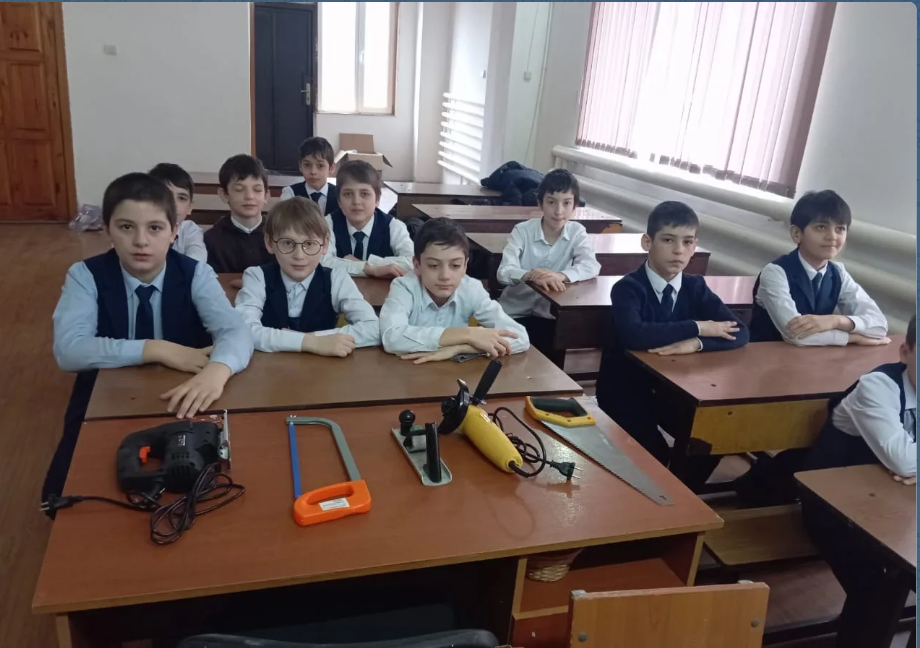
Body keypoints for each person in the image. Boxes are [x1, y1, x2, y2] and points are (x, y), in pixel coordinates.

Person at [46, 172, 253, 508]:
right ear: (107, 229)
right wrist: (155, 349)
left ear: (174, 231)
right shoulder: (85, 275)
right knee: (69, 496)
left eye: (155, 228)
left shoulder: (195, 273)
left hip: (184, 395)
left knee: (210, 490)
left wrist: (218, 370)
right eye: (126, 227)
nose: (141, 241)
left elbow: (236, 331)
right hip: (105, 398)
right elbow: (69, 350)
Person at [596, 201, 749, 472]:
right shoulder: (628, 288)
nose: (679, 250)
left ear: (695, 245)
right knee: (654, 452)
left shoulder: (695, 286)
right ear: (647, 242)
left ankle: (680, 491)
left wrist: (696, 344)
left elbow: (740, 332)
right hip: (624, 390)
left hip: (674, 390)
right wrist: (698, 327)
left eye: (687, 242)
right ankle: (661, 489)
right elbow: (635, 335)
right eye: (668, 240)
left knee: (713, 438)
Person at [235, 197, 380, 355]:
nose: (299, 256)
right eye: (288, 243)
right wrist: (310, 342)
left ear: (325, 244)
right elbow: (243, 331)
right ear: (270, 243)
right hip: (268, 367)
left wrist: (310, 339)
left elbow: (373, 328)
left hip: (322, 367)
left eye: (309, 244)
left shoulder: (337, 278)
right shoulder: (256, 276)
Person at [379, 217, 529, 363]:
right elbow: (391, 337)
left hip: (454, 373)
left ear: (465, 266)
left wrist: (460, 348)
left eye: (455, 265)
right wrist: (466, 334)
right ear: (417, 265)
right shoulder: (404, 287)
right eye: (433, 266)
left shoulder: (471, 289)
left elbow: (521, 337)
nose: (445, 276)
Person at [750, 190, 888, 346]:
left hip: (816, 356)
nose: (832, 237)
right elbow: (796, 336)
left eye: (840, 229)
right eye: (821, 227)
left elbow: (880, 325)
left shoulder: (838, 273)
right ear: (796, 234)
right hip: (767, 356)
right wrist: (855, 338)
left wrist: (836, 321)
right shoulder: (775, 272)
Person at [496, 169, 600, 360]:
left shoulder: (577, 232)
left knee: (552, 365)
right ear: (540, 203)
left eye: (566, 203)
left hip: (550, 316)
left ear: (575, 206)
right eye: (551, 202)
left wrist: (560, 275)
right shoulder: (522, 231)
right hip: (513, 313)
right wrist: (529, 275)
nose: (559, 211)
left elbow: (591, 265)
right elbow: (504, 272)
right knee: (509, 363)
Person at [322, 160, 413, 279]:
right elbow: (321, 261)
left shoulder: (393, 226)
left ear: (377, 200)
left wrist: (362, 263)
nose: (356, 201)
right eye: (348, 194)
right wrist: (368, 268)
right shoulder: (327, 224)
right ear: (339, 201)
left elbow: (412, 263)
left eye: (364, 194)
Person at [204, 154, 273, 273]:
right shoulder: (211, 240)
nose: (249, 196)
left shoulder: (278, 234)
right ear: (224, 195)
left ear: (266, 195)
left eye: (257, 190)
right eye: (239, 190)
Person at [149, 162, 206, 263]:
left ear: (190, 207)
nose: (174, 204)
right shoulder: (141, 228)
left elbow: (198, 259)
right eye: (166, 195)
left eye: (182, 198)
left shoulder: (190, 230)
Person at [279, 136, 339, 215]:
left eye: (320, 166)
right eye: (307, 165)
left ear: (331, 168)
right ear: (300, 166)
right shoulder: (290, 193)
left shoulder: (339, 194)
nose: (313, 172)